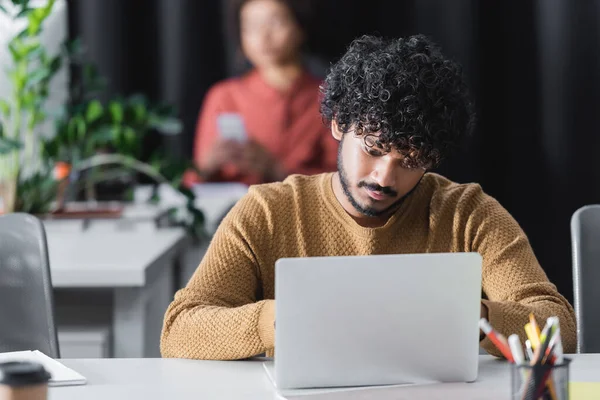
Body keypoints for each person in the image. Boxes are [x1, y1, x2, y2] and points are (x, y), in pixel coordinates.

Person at [162, 34, 576, 360]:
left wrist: (479, 319)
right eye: (373, 149)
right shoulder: (269, 211)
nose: (384, 176)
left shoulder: (469, 213)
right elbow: (180, 329)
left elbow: (562, 330)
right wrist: (276, 321)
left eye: (410, 161)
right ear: (339, 124)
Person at [184, 0, 337, 187]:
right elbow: (192, 184)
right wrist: (206, 167)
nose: (263, 37)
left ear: (300, 27)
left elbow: (340, 180)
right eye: (251, 26)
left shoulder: (327, 97)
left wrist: (278, 170)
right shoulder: (223, 96)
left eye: (275, 23)